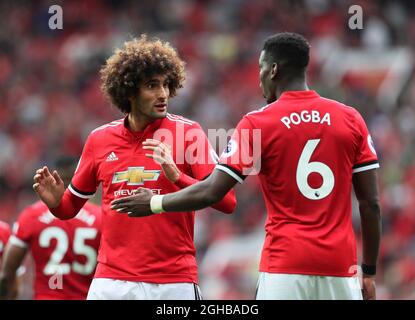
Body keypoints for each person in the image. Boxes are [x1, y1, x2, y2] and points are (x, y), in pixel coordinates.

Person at [111, 32, 382, 300]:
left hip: (284, 266)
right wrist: (368, 272)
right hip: (340, 266)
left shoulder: (258, 123)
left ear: (273, 69)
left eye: (261, 69)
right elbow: (370, 204)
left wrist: (155, 203)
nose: (259, 78)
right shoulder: (350, 118)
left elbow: (214, 191)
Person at [32, 35, 236, 300]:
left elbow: (227, 201)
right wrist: (55, 203)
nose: (163, 94)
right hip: (112, 282)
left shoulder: (189, 133)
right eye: (152, 86)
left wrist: (177, 176)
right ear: (128, 91)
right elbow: (69, 208)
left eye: (165, 85)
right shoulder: (99, 139)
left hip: (173, 281)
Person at [0, 156, 101, 300]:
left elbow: (7, 274)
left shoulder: (31, 216)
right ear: (79, 178)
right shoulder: (99, 217)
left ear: (55, 176)